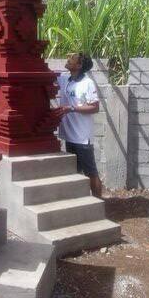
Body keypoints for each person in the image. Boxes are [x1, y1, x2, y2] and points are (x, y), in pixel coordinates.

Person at [58, 53, 102, 198]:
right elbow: (47, 77)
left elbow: (95, 107)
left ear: (79, 65)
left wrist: (71, 108)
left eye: (72, 58)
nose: (68, 58)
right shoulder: (65, 79)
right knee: (74, 171)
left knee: (90, 172)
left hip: (83, 137)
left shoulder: (87, 83)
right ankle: (80, 200)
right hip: (69, 136)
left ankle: (98, 202)